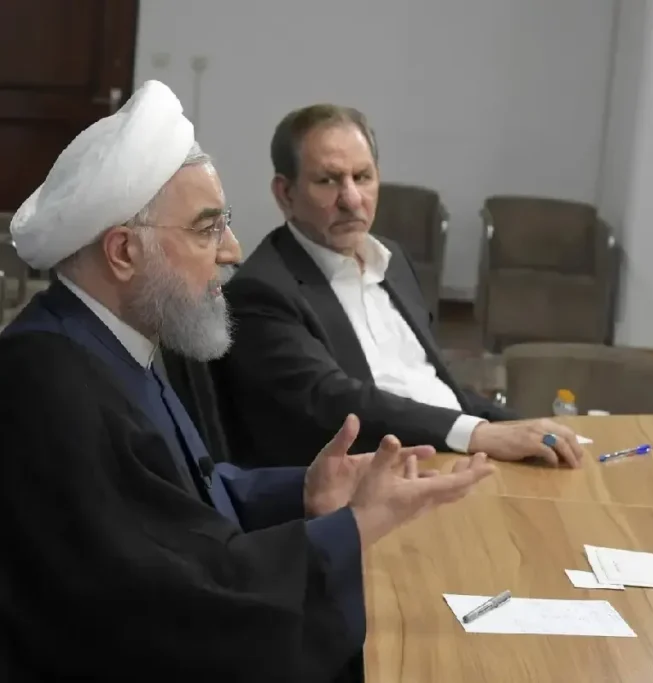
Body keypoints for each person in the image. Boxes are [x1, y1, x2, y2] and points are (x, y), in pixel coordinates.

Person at [0, 80, 494, 681]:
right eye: (206, 228)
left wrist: (304, 490)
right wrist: (355, 527)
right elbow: (168, 592)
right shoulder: (49, 383)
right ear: (124, 252)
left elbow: (189, 494)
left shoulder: (115, 340)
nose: (232, 251)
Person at [215, 104, 586, 468]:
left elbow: (433, 385)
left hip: (450, 454)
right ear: (285, 194)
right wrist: (476, 433)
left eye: (362, 177)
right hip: (373, 477)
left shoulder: (393, 262)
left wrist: (517, 426)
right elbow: (334, 401)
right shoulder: (261, 292)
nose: (352, 199)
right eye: (328, 181)